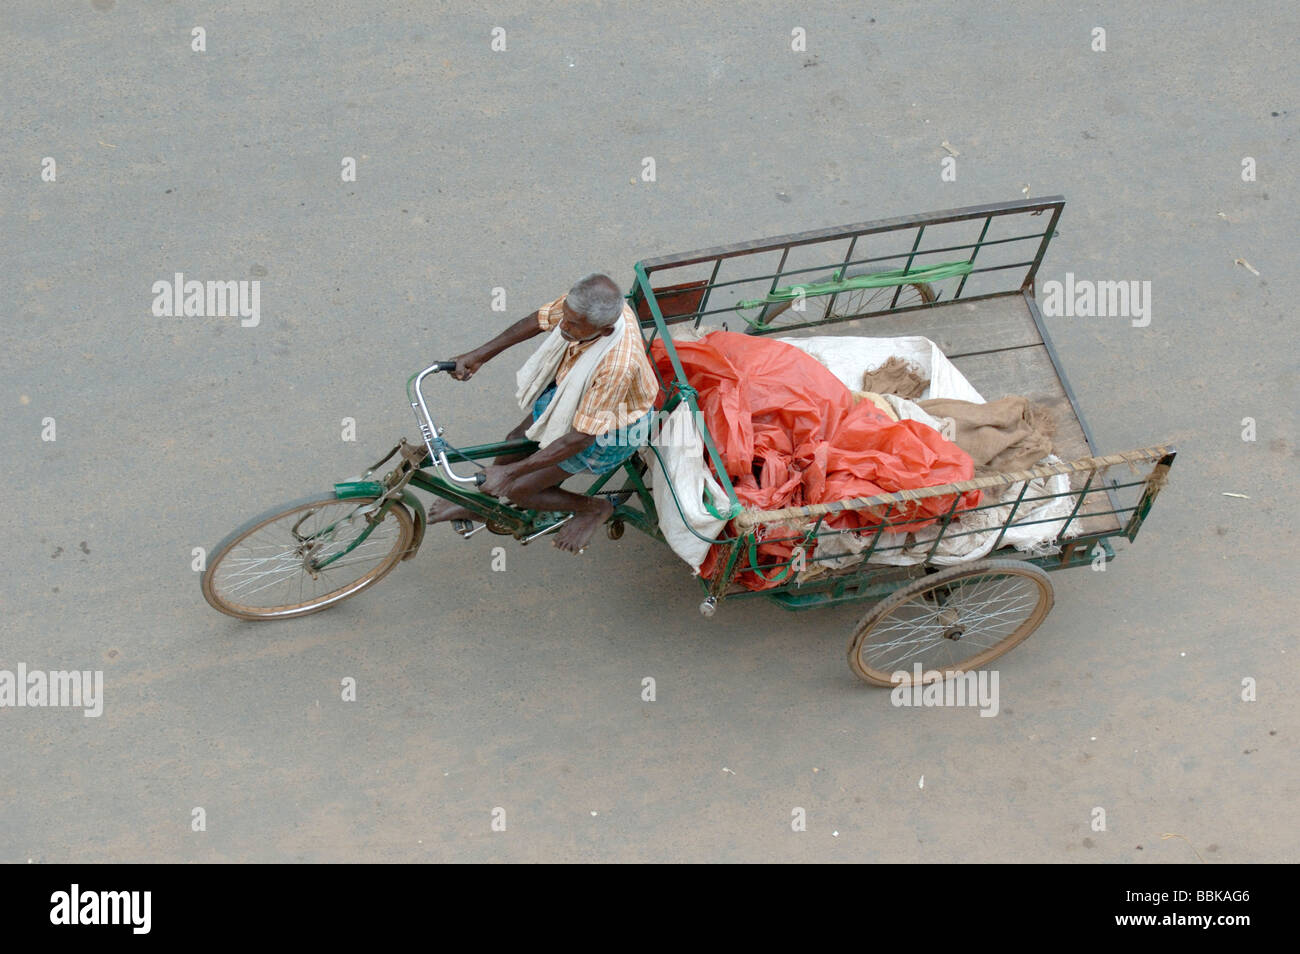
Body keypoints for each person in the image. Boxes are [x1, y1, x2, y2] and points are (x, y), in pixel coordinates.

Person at [426, 274, 658, 554]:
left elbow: (581, 438)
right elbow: (540, 319)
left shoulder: (617, 366)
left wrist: (509, 474)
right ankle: (482, 506)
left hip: (611, 430)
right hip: (574, 394)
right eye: (566, 316)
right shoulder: (583, 306)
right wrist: (479, 355)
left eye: (572, 325)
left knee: (519, 490)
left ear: (605, 331)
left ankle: (595, 508)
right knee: (514, 440)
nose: (563, 325)